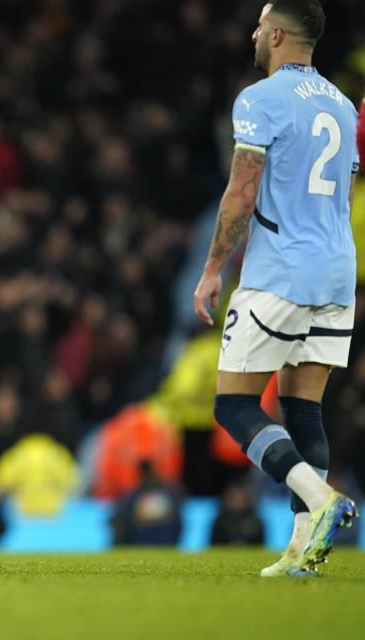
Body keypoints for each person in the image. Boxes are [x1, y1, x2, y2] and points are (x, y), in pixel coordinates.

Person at [192, 0, 359, 577]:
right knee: (303, 410)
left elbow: (243, 190)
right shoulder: (342, 106)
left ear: (279, 34)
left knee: (234, 405)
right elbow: (343, 191)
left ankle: (322, 499)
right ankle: (301, 554)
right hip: (337, 272)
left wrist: (212, 268)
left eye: (261, 25)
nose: (254, 33)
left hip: (280, 271)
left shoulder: (259, 99)